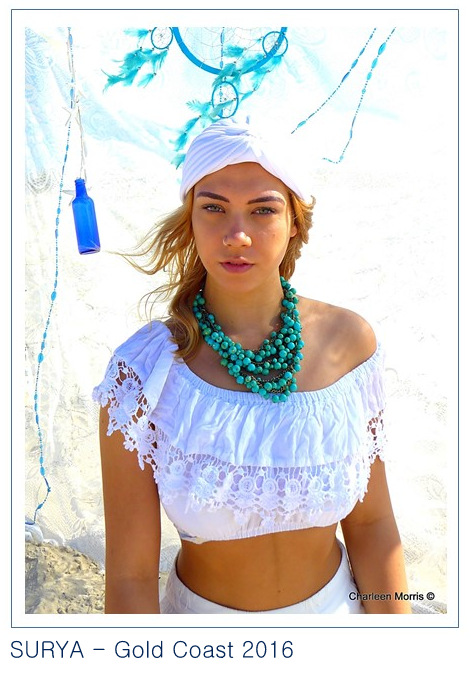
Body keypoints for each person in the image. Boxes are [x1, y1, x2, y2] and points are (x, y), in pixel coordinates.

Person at [93, 117, 411, 614]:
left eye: (263, 210)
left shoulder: (350, 345)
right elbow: (130, 578)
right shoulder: (143, 374)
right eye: (213, 208)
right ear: (190, 219)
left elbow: (373, 527)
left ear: (294, 222)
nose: (237, 235)